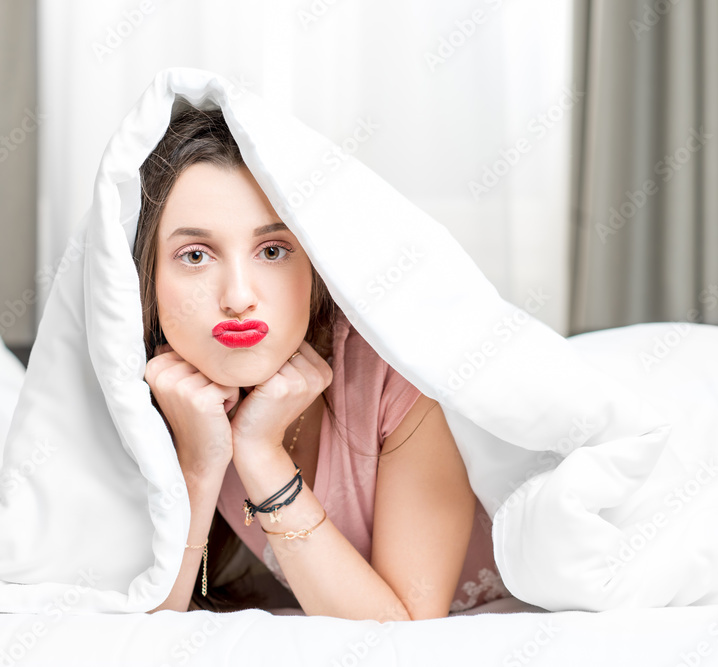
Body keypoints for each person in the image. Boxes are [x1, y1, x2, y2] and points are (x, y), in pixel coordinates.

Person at [136, 106, 510, 621]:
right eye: (196, 255)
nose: (239, 297)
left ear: (315, 261)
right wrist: (200, 465)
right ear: (146, 277)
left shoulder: (398, 373)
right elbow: (153, 622)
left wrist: (260, 453)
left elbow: (399, 639)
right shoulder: (168, 397)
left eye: (272, 250)